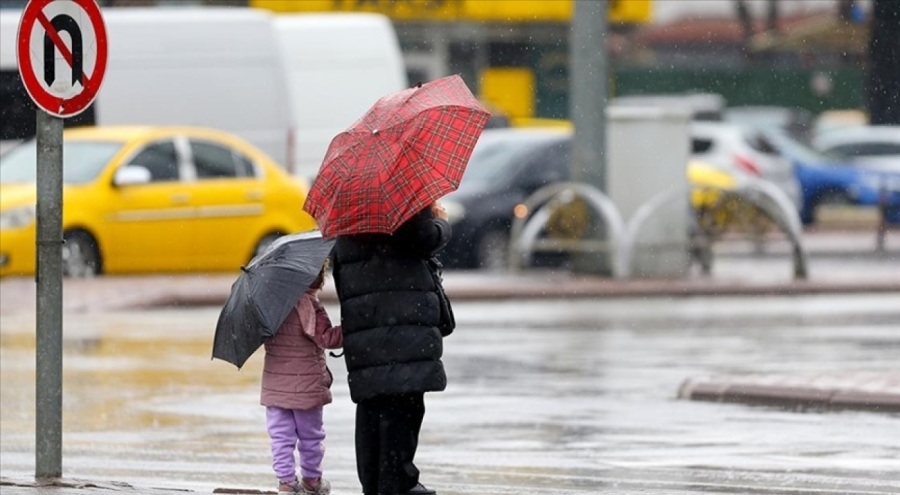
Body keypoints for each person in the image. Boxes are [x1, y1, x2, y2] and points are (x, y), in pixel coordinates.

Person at [330, 201, 452, 495]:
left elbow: (339, 264)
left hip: (365, 319)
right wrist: (441, 223)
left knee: (373, 401)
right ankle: (397, 480)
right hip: (403, 317)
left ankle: (373, 481)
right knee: (405, 400)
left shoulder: (347, 207)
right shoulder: (402, 199)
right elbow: (422, 237)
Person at [260, 262, 343, 495]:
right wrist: (350, 330)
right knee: (310, 436)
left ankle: (286, 482)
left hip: (275, 387)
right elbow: (327, 338)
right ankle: (311, 480)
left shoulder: (270, 306)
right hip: (306, 387)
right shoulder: (310, 306)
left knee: (280, 437)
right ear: (316, 280)